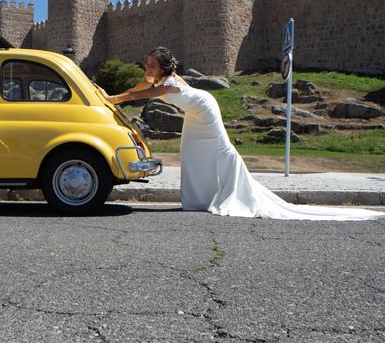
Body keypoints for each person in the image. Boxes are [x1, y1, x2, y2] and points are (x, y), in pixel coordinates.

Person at [99, 47, 385, 221]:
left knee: (220, 151)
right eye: (146, 64)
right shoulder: (160, 77)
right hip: (194, 115)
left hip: (205, 111)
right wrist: (122, 92)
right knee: (192, 154)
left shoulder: (168, 85)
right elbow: (143, 84)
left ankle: (229, 192)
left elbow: (146, 93)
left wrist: (113, 98)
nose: (147, 68)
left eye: (151, 64)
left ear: (163, 67)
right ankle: (198, 200)